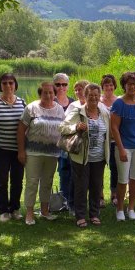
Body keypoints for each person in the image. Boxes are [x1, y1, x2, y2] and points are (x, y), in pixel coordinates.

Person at [60, 84, 110, 227]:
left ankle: (94, 214)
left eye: (96, 95)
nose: (93, 98)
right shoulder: (78, 111)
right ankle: (80, 216)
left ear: (99, 96)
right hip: (81, 157)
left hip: (99, 157)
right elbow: (62, 127)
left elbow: (107, 133)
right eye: (90, 95)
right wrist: (75, 127)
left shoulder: (104, 112)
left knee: (96, 186)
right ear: (85, 96)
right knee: (81, 187)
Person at [18, 82, 65, 225]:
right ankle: (30, 214)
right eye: (45, 92)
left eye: (51, 92)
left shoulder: (60, 110)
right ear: (40, 94)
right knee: (32, 182)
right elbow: (21, 130)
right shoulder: (31, 108)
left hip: (52, 153)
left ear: (54, 94)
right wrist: (21, 151)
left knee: (47, 182)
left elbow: (63, 130)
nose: (48, 95)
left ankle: (45, 211)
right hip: (33, 153)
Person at [0, 73, 26, 223]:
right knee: (1, 181)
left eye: (11, 83)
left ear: (15, 85)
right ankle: (3, 211)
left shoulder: (22, 103)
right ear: (0, 86)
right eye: (4, 83)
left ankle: (15, 209)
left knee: (17, 180)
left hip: (19, 149)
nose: (8, 86)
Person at [111, 72, 135, 221]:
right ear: (124, 86)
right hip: (124, 147)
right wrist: (121, 149)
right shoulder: (118, 103)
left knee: (134, 178)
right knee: (122, 179)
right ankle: (120, 208)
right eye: (129, 84)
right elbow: (114, 128)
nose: (132, 87)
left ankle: (131, 208)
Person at [53, 73, 75, 214]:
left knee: (69, 173)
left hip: (68, 146)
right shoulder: (50, 101)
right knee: (59, 173)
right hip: (51, 144)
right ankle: (57, 201)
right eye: (58, 84)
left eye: (64, 84)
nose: (61, 87)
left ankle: (69, 202)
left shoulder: (73, 103)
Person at [100, 74, 119, 207]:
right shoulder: (97, 100)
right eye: (106, 85)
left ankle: (114, 194)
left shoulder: (118, 101)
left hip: (114, 141)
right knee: (99, 169)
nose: (109, 87)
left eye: (111, 84)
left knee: (115, 168)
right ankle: (99, 196)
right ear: (102, 87)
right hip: (100, 141)